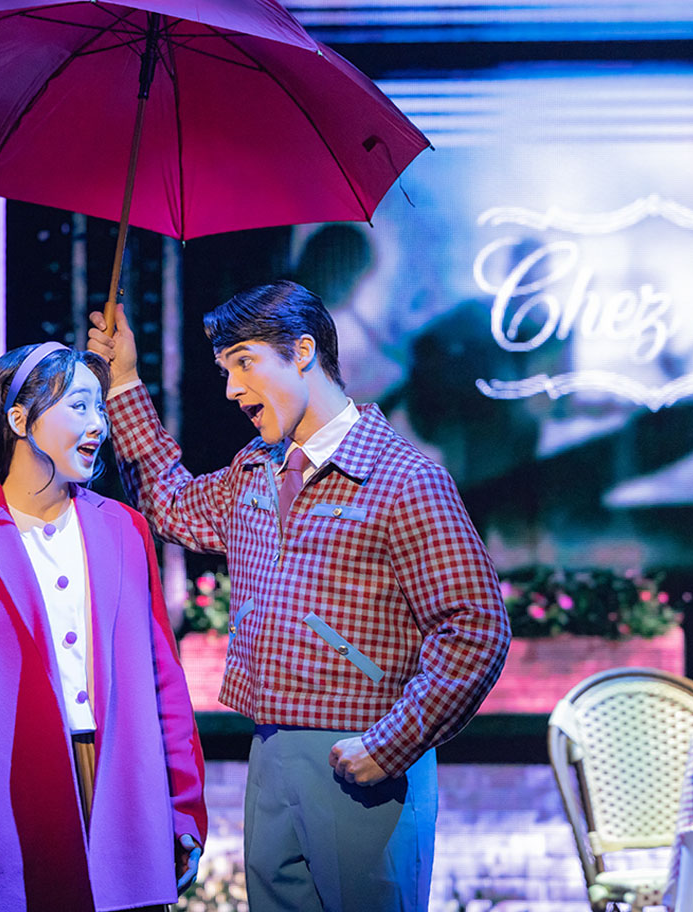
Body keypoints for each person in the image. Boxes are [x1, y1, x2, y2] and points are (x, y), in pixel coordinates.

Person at [88, 282, 511, 912]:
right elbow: (171, 502)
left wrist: (391, 744)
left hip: (361, 754)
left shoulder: (402, 479)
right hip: (270, 747)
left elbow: (475, 629)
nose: (231, 388)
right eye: (224, 368)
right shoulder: (255, 468)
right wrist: (122, 382)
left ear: (304, 351)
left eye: (244, 362)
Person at [0, 342, 207, 912]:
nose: (98, 425)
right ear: (19, 419)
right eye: (79, 407)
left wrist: (183, 810)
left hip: (122, 787)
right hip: (14, 797)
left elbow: (165, 681)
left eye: (100, 408)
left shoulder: (124, 528)